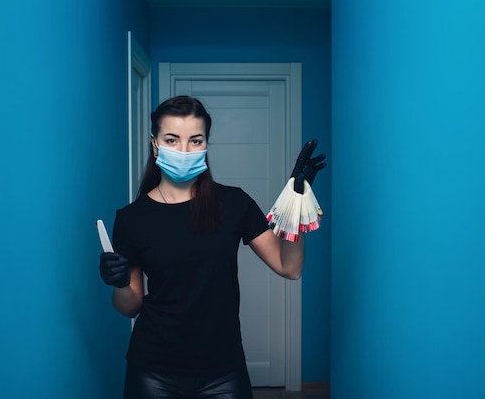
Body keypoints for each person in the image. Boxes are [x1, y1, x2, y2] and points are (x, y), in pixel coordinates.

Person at [99, 95, 326, 399]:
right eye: (172, 139)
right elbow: (130, 306)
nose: (183, 150)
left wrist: (297, 200)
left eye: (195, 140)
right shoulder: (131, 219)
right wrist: (120, 283)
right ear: (155, 144)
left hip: (223, 371)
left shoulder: (235, 203)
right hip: (153, 370)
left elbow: (290, 267)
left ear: (206, 144)